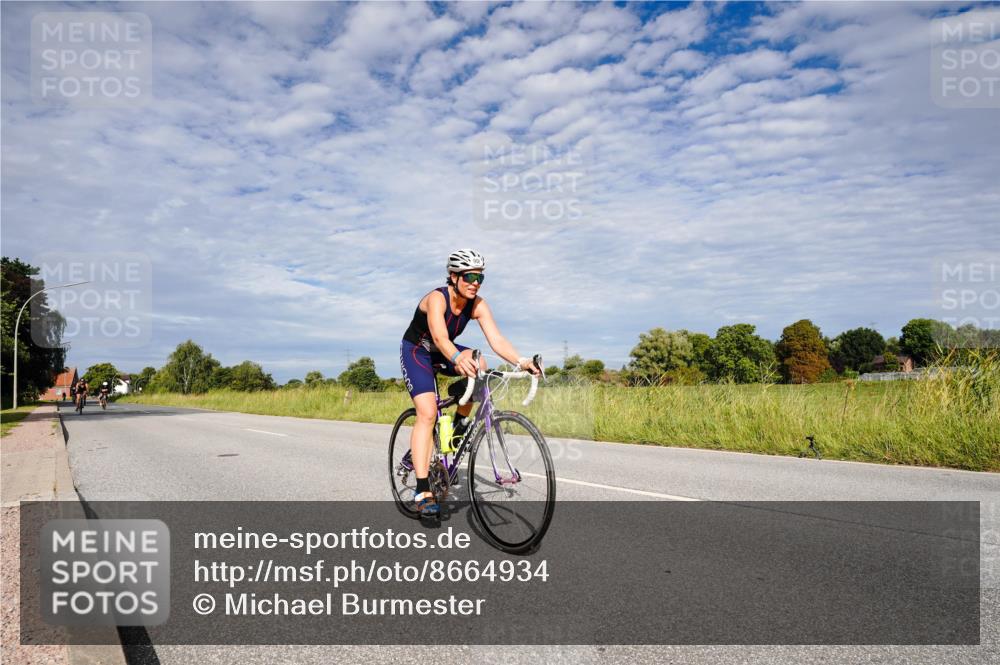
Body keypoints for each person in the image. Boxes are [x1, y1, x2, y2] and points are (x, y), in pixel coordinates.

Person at [399, 249, 540, 517]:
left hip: (443, 352)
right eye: (470, 276)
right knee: (427, 414)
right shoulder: (436, 299)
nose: (475, 282)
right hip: (418, 352)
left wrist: (522, 361)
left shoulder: (478, 305)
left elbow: (496, 341)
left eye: (480, 278)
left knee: (481, 365)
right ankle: (422, 489)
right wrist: (456, 358)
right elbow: (440, 337)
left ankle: (459, 424)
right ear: (453, 276)